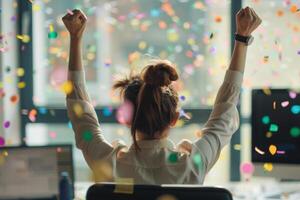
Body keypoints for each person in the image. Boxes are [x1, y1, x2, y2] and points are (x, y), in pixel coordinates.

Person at [62, 7, 261, 184]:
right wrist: (242, 39)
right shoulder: (193, 165)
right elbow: (224, 113)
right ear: (174, 119)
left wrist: (75, 38)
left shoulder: (108, 164)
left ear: (126, 118)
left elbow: (79, 112)